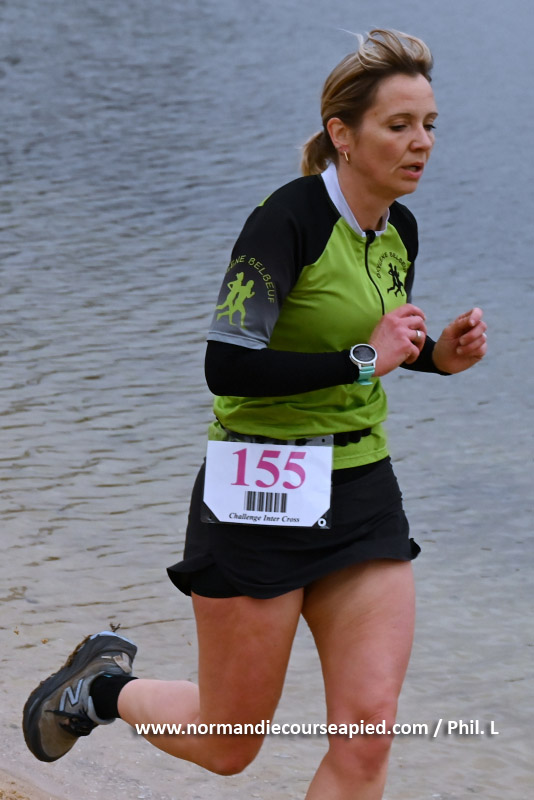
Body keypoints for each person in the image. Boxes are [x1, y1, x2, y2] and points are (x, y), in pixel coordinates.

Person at [23, 29, 487, 800]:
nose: (422, 143)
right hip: (259, 492)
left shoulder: (397, 229)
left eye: (430, 124)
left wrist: (437, 355)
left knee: (368, 733)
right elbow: (229, 367)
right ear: (343, 134)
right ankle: (100, 688)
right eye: (399, 124)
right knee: (228, 744)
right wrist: (366, 358)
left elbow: (372, 347)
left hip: (362, 491)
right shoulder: (285, 221)